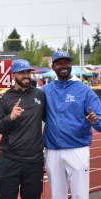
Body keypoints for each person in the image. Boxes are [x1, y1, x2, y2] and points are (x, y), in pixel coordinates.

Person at [43, 50, 101, 199]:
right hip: (53, 150)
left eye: (66, 63)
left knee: (80, 195)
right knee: (57, 196)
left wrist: (96, 121)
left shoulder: (85, 91)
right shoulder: (46, 90)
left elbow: (100, 122)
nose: (63, 66)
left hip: (77, 149)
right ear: (53, 66)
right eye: (59, 63)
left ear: (71, 65)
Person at [0, 59, 45, 199]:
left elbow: (50, 119)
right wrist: (10, 117)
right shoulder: (4, 98)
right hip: (10, 160)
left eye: (28, 72)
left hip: (34, 162)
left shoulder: (40, 95)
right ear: (13, 75)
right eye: (22, 73)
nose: (26, 75)